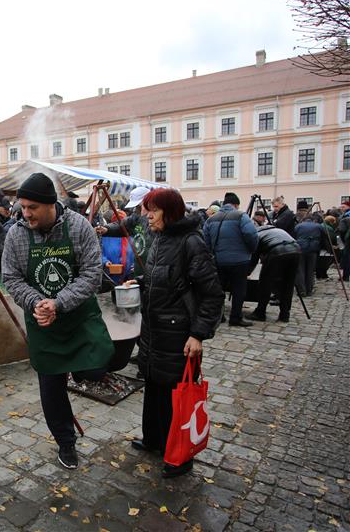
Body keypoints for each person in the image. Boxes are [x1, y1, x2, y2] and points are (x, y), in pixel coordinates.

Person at [1, 172, 114, 470]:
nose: (25, 214)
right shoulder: (16, 234)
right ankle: (66, 443)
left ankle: (80, 370)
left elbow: (92, 273)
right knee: (51, 387)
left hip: (77, 317)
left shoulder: (79, 228)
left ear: (50, 204)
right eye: (22, 207)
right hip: (43, 323)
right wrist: (37, 303)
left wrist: (59, 302)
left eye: (31, 208)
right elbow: (11, 278)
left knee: (97, 366)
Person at [125, 188, 223, 478]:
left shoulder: (192, 242)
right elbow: (163, 275)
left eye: (153, 210)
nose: (147, 215)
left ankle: (180, 456)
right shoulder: (160, 238)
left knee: (175, 394)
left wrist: (198, 334)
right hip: (154, 329)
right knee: (154, 388)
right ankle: (155, 440)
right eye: (147, 209)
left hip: (179, 334)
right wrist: (140, 281)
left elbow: (212, 294)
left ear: (170, 212)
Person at [202, 192, 258, 327]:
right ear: (236, 205)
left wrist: (212, 255)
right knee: (238, 289)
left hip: (219, 260)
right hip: (239, 260)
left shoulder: (211, 219)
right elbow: (251, 234)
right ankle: (235, 317)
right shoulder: (241, 216)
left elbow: (205, 241)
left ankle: (219, 316)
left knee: (219, 289)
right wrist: (251, 250)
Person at [244, 225, 301, 323]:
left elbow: (254, 258)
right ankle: (285, 314)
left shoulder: (257, 235)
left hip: (277, 251)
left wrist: (247, 272)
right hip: (296, 250)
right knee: (288, 284)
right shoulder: (278, 230)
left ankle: (260, 312)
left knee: (265, 283)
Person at [95, 186, 152, 274]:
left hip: (150, 269)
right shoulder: (136, 217)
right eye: (136, 207)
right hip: (139, 269)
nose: (136, 209)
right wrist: (107, 229)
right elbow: (122, 225)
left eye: (138, 206)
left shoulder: (157, 222)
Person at [101, 210, 135, 284]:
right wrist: (105, 262)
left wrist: (135, 266)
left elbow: (138, 254)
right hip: (112, 277)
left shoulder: (132, 236)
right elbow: (100, 253)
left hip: (131, 276)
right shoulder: (106, 237)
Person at [294, 214, 322, 296]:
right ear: (312, 220)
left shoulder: (298, 226)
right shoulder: (318, 226)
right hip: (313, 249)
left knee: (300, 270)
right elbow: (324, 237)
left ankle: (301, 290)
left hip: (300, 249)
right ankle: (309, 290)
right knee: (310, 270)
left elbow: (294, 236)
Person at [338, 200, 350, 282]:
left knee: (347, 258)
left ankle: (346, 276)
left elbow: (342, 230)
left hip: (347, 239)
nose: (342, 208)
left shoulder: (346, 216)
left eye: (343, 206)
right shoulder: (344, 215)